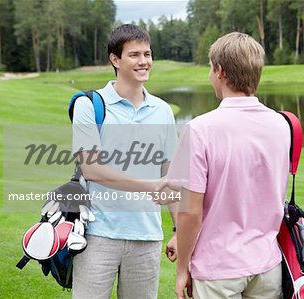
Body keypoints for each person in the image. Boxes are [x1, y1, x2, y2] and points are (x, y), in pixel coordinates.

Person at [167, 32, 290, 299]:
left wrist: (182, 268)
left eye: (211, 69)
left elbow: (190, 212)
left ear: (220, 71)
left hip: (218, 269)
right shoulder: (282, 124)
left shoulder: (199, 129)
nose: (210, 75)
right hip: (267, 265)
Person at [71, 24, 178, 299]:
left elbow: (170, 178)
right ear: (115, 59)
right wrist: (148, 186)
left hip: (147, 239)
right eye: (134, 55)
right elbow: (92, 168)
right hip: (97, 235)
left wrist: (178, 229)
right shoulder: (89, 105)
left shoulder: (163, 110)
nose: (144, 61)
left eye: (147, 53)